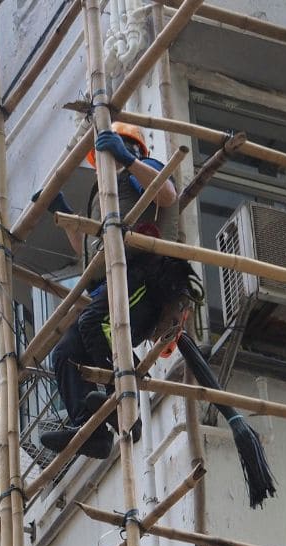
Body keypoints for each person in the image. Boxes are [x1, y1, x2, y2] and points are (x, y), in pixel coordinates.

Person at [39, 125, 202, 459]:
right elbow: (90, 251)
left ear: (130, 147)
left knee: (93, 322)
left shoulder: (141, 170)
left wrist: (127, 159)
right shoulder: (103, 198)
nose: (101, 166)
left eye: (105, 157)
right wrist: (63, 212)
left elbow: (166, 195)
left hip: (145, 279)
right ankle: (91, 431)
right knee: (66, 351)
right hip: (113, 284)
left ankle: (126, 407)